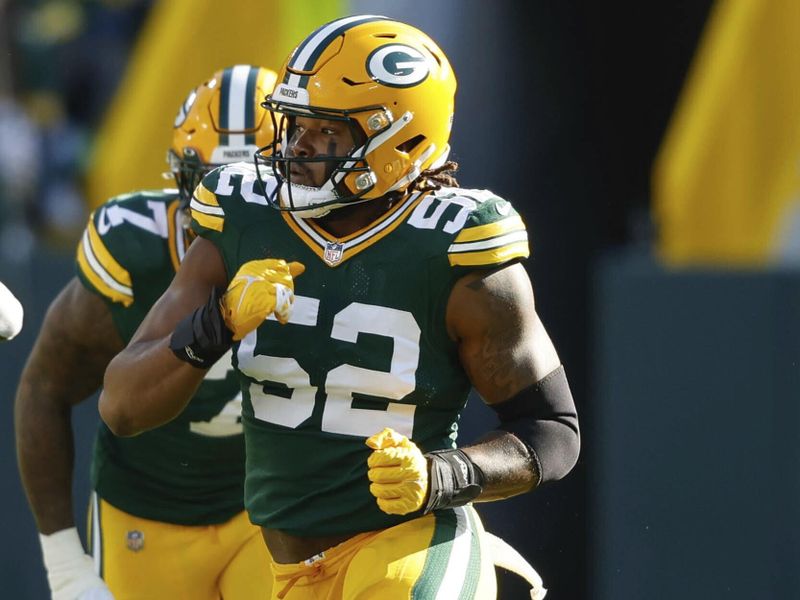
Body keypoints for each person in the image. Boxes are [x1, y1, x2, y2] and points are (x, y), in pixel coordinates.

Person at [100, 15, 580, 599]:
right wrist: (218, 321)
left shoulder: (455, 250)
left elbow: (552, 433)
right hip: (283, 569)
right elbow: (121, 407)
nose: (295, 147)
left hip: (405, 549)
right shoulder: (243, 220)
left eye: (324, 132)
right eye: (294, 124)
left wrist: (440, 476)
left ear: (399, 141)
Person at [15, 65, 279, 600]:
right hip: (149, 514)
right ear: (182, 179)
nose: (229, 211)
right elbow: (45, 389)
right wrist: (64, 561)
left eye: (253, 189)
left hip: (270, 511)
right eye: (212, 188)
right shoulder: (135, 249)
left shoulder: (334, 248)